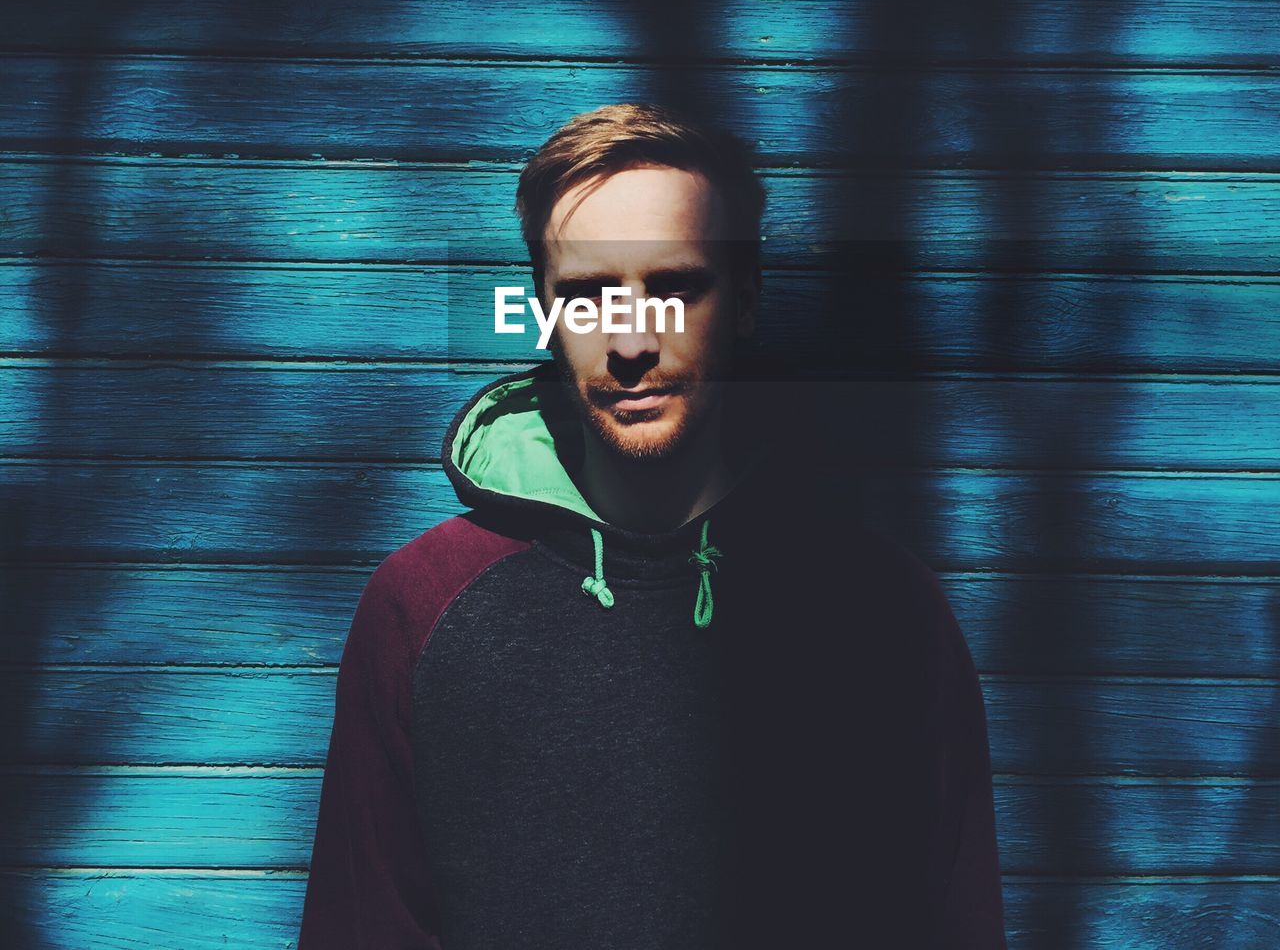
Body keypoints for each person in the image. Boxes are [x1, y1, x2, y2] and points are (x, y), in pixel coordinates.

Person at [298, 103, 1007, 949]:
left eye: (674, 287)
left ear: (744, 299)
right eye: (590, 296)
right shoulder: (420, 606)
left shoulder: (881, 610)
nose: (633, 339)